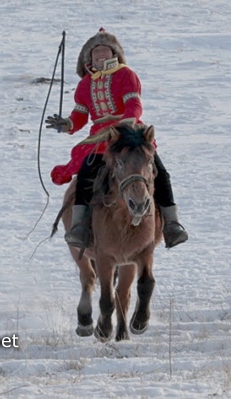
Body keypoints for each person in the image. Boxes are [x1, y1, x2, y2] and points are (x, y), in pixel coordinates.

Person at [46, 28, 188, 249]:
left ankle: (172, 224)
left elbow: (134, 104)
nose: (100, 55)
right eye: (96, 52)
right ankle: (79, 227)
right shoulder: (85, 84)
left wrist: (128, 121)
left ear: (114, 54)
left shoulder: (126, 74)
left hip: (129, 134)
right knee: (85, 175)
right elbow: (81, 115)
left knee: (160, 173)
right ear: (88, 58)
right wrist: (67, 124)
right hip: (100, 139)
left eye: (105, 51)